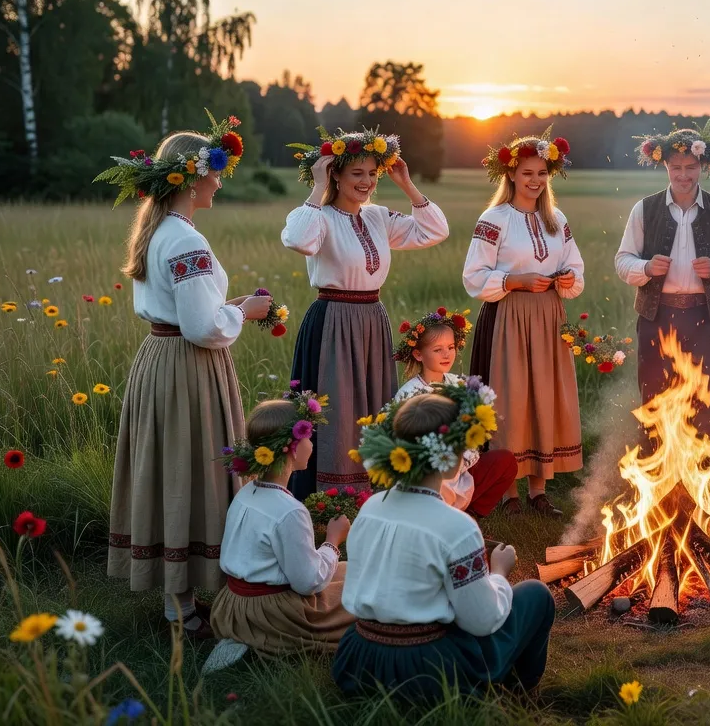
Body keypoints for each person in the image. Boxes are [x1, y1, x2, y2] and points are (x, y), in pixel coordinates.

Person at [101, 112, 268, 639]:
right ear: (193, 177)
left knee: (175, 467)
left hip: (161, 358)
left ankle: (181, 595)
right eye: (216, 170)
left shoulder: (163, 232)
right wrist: (246, 314)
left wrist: (230, 306)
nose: (220, 180)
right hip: (187, 367)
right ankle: (184, 607)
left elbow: (185, 313)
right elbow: (201, 327)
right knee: (189, 467)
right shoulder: (186, 242)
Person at [333, 384, 554, 702]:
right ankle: (519, 691)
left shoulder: (370, 509)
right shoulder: (457, 527)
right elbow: (481, 620)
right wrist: (499, 575)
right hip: (428, 670)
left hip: (361, 661)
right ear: (449, 455)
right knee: (536, 595)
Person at [281, 129, 450, 499]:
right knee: (337, 408)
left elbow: (435, 231)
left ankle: (372, 490)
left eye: (372, 173)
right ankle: (331, 493)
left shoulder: (377, 217)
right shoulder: (320, 216)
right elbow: (297, 239)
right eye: (357, 173)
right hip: (334, 320)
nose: (367, 181)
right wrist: (316, 185)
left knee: (373, 404)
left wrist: (407, 185)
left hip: (372, 318)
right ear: (336, 175)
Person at [464, 130, 583, 516]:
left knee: (542, 397)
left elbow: (575, 265)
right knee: (510, 399)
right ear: (511, 175)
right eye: (527, 173)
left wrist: (567, 278)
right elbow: (473, 276)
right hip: (508, 316)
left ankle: (538, 490)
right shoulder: (493, 218)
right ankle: (508, 492)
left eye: (542, 173)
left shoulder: (556, 218)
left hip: (548, 316)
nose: (535, 181)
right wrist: (513, 281)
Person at [615, 121, 710, 438]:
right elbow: (622, 260)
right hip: (656, 317)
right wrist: (647, 268)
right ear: (665, 166)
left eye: (691, 167)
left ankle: (703, 479)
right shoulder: (644, 209)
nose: (684, 175)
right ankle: (655, 478)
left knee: (705, 400)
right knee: (654, 400)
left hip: (705, 317)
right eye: (676, 167)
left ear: (701, 165)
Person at [213, 391, 354, 654]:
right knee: (367, 592)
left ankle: (240, 640)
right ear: (292, 446)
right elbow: (307, 582)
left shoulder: (246, 493)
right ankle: (260, 640)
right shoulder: (290, 511)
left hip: (232, 605)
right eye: (309, 437)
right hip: (273, 614)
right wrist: (333, 541)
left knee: (352, 569)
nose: (312, 445)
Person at [391, 307, 518, 518]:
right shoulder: (410, 394)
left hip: (462, 466)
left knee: (505, 461)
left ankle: (472, 515)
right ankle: (437, 516)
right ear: (418, 354)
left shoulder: (458, 384)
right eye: (437, 349)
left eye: (450, 347)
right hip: (429, 475)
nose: (446, 354)